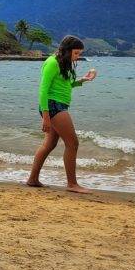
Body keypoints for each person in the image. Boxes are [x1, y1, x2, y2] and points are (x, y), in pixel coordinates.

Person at [26, 35, 97, 193]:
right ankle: (72, 184)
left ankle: (32, 179)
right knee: (73, 143)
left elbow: (66, 85)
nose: (77, 57)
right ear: (67, 50)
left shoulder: (64, 63)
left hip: (58, 105)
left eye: (79, 54)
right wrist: (46, 117)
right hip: (53, 106)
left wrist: (83, 80)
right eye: (76, 53)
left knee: (49, 144)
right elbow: (43, 90)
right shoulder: (52, 62)